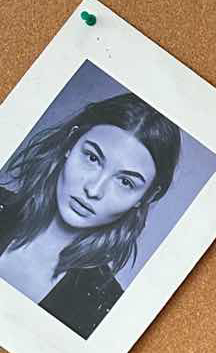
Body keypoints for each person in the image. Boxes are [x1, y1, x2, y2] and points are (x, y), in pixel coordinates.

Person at [0, 91, 182, 338]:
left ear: (147, 196)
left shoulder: (108, 314)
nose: (94, 190)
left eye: (125, 182)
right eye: (93, 158)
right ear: (71, 142)